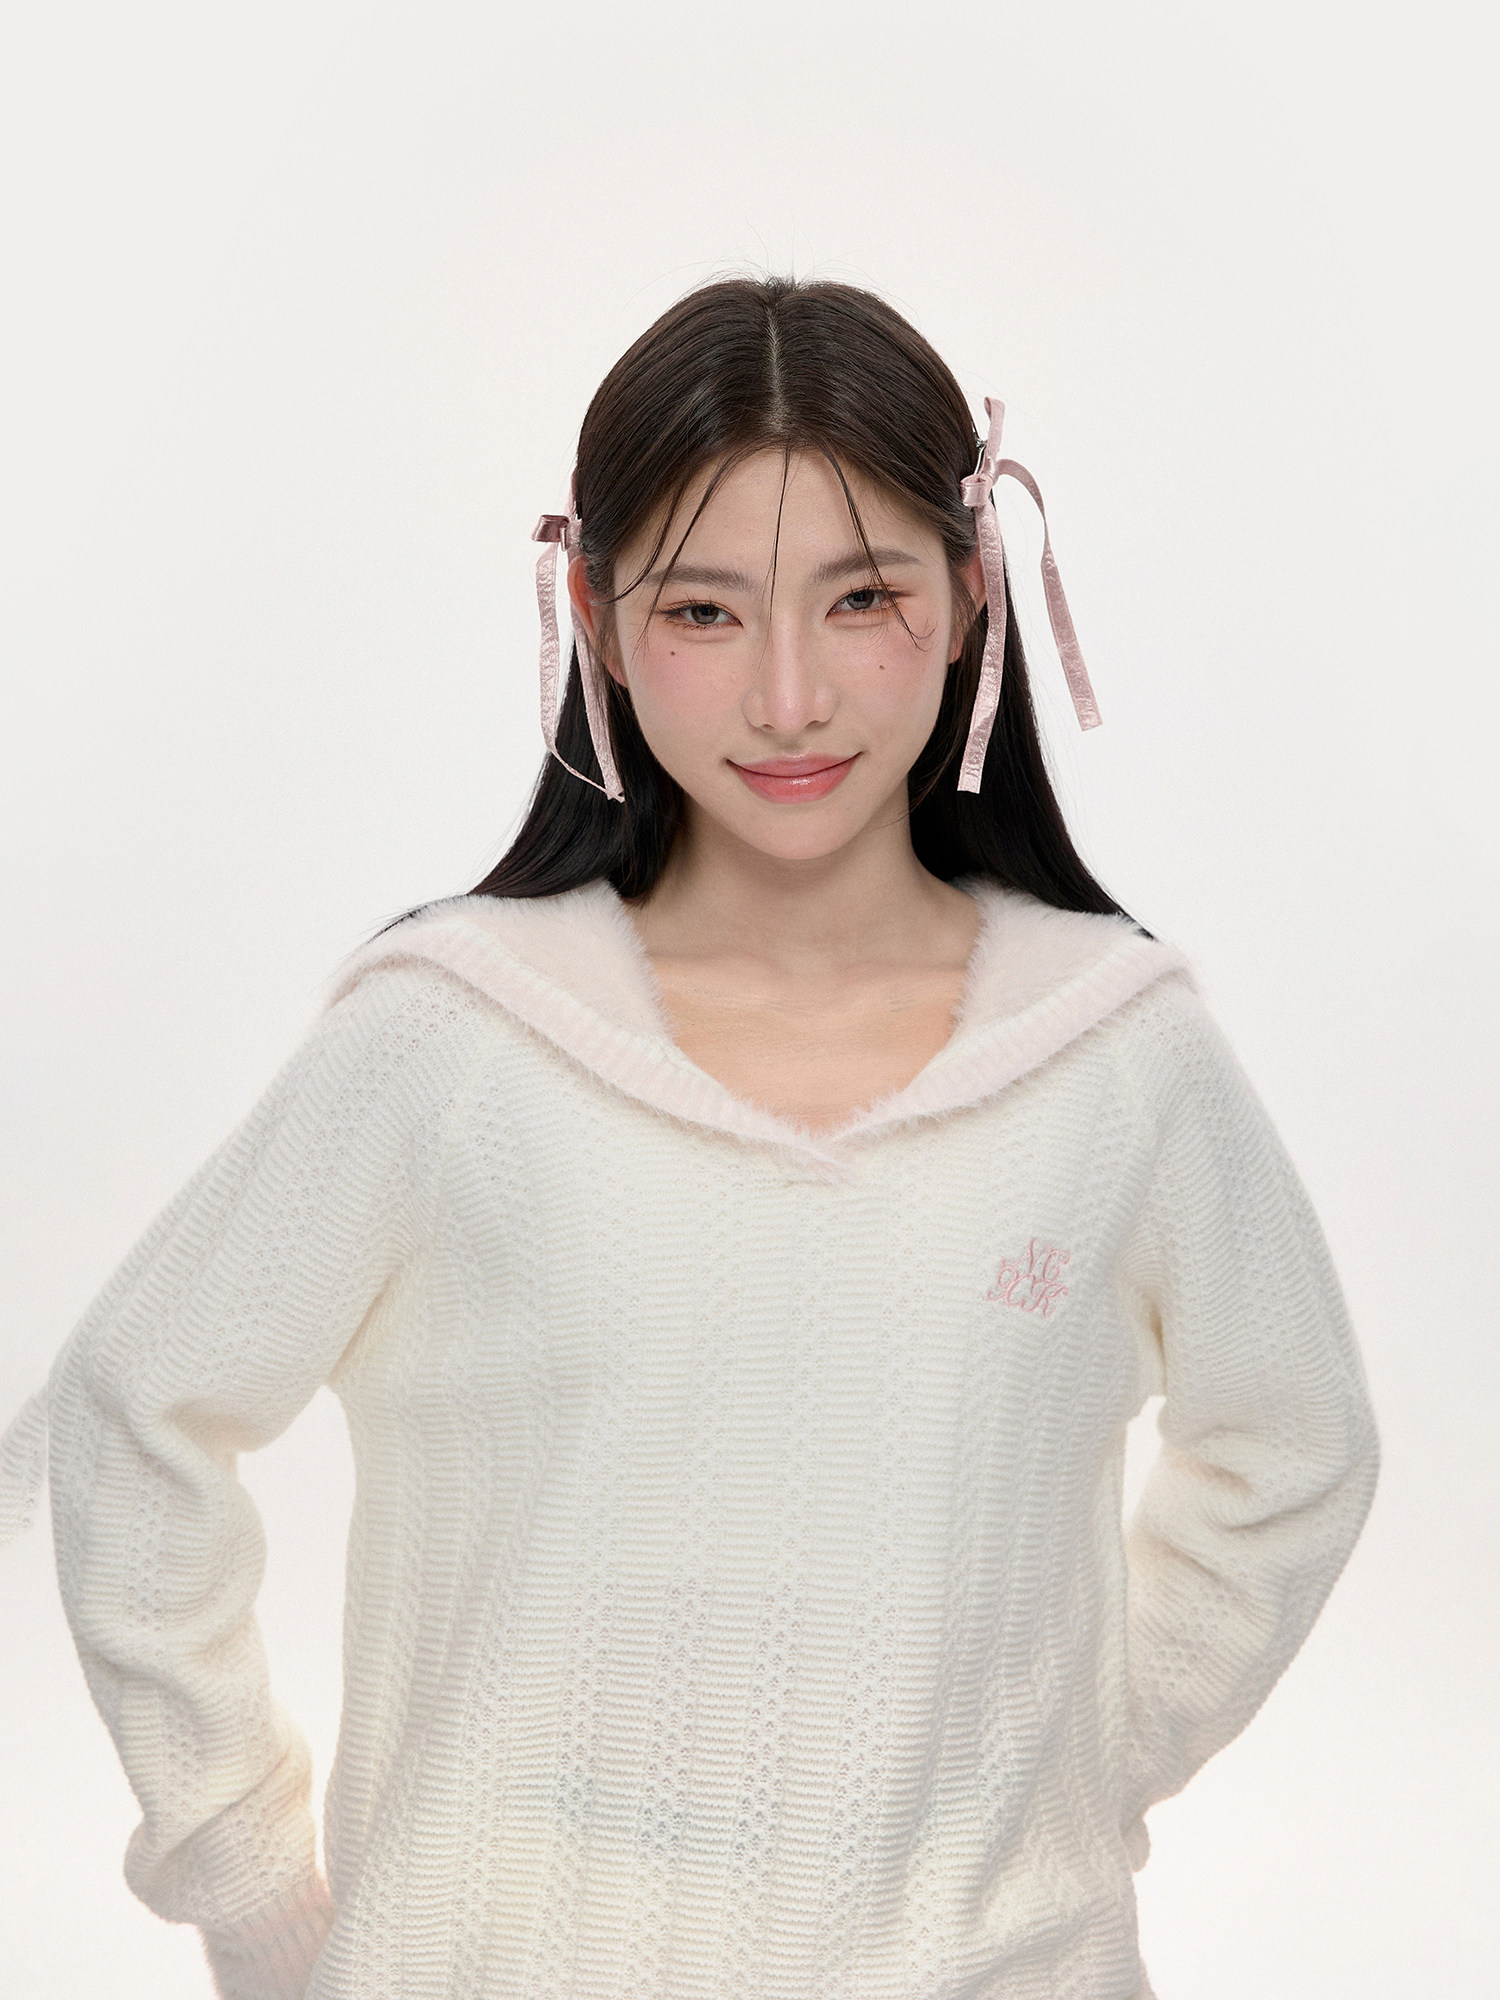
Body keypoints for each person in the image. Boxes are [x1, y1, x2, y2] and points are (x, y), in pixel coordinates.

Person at [0, 275, 1380, 2000]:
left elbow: (1295, 1451)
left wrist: (1066, 1765)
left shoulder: (1115, 1051)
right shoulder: (454, 1035)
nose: (789, 699)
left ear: (973, 592)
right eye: (704, 611)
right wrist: (255, 1891)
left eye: (862, 598)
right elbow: (136, 1414)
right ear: (591, 612)